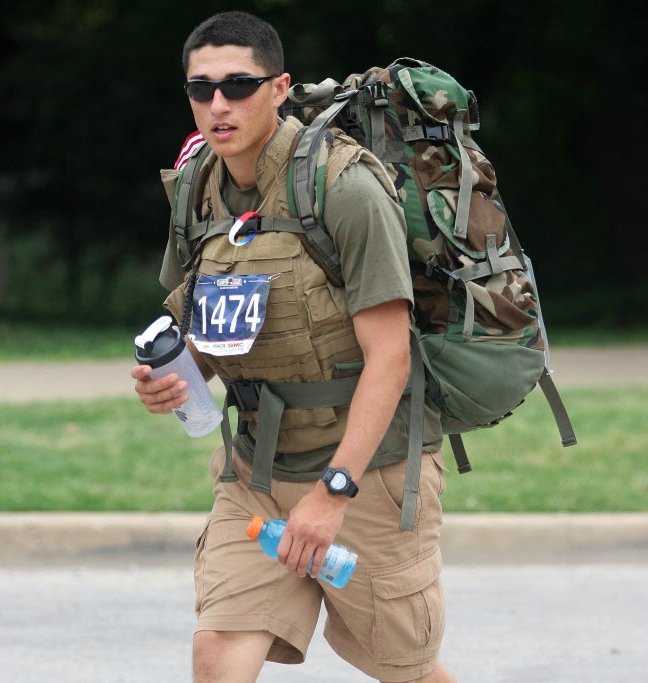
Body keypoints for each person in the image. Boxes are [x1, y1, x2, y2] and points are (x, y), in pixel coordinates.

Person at [131, 10, 456, 683]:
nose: (217, 105)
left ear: (279, 88)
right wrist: (174, 375)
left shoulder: (345, 186)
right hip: (256, 473)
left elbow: (390, 355)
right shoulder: (196, 187)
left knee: (405, 669)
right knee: (217, 651)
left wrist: (333, 491)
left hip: (368, 472)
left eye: (238, 86)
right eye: (200, 89)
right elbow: (216, 329)